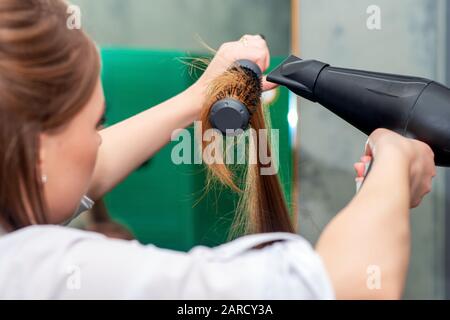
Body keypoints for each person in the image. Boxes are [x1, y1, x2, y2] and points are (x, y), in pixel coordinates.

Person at [0, 0, 435, 299]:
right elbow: (341, 288)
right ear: (38, 150)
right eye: (96, 122)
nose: (101, 138)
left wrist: (199, 97)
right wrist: (396, 163)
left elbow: (71, 174)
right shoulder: (38, 272)